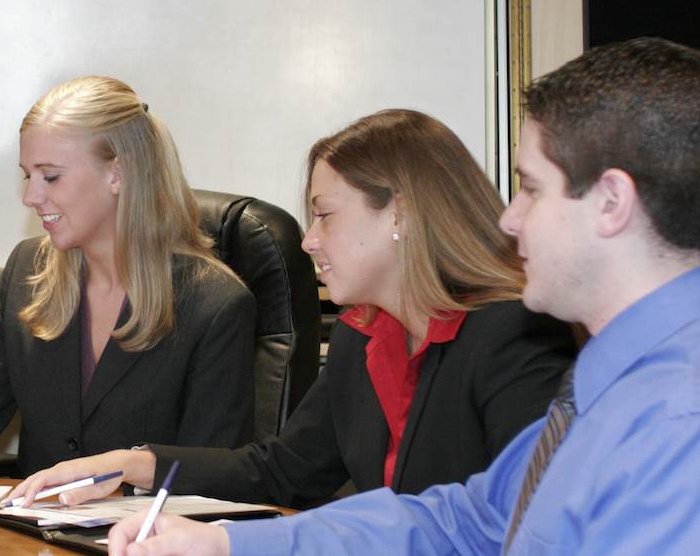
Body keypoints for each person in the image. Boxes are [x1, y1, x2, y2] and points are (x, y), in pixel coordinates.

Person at [108, 37, 700, 555]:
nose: (512, 219)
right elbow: (464, 522)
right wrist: (225, 542)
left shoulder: (677, 422)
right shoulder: (610, 383)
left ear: (612, 203)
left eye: (531, 189)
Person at [10, 109, 576, 509]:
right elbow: (284, 471)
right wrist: (134, 465)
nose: (308, 241)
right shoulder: (362, 335)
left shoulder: (513, 335)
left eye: (325, 215)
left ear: (399, 215)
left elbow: (519, 520)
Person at [0, 76, 255, 491]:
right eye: (27, 176)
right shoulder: (25, 275)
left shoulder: (215, 304)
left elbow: (216, 483)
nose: (30, 197)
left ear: (118, 174)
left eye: (50, 177)